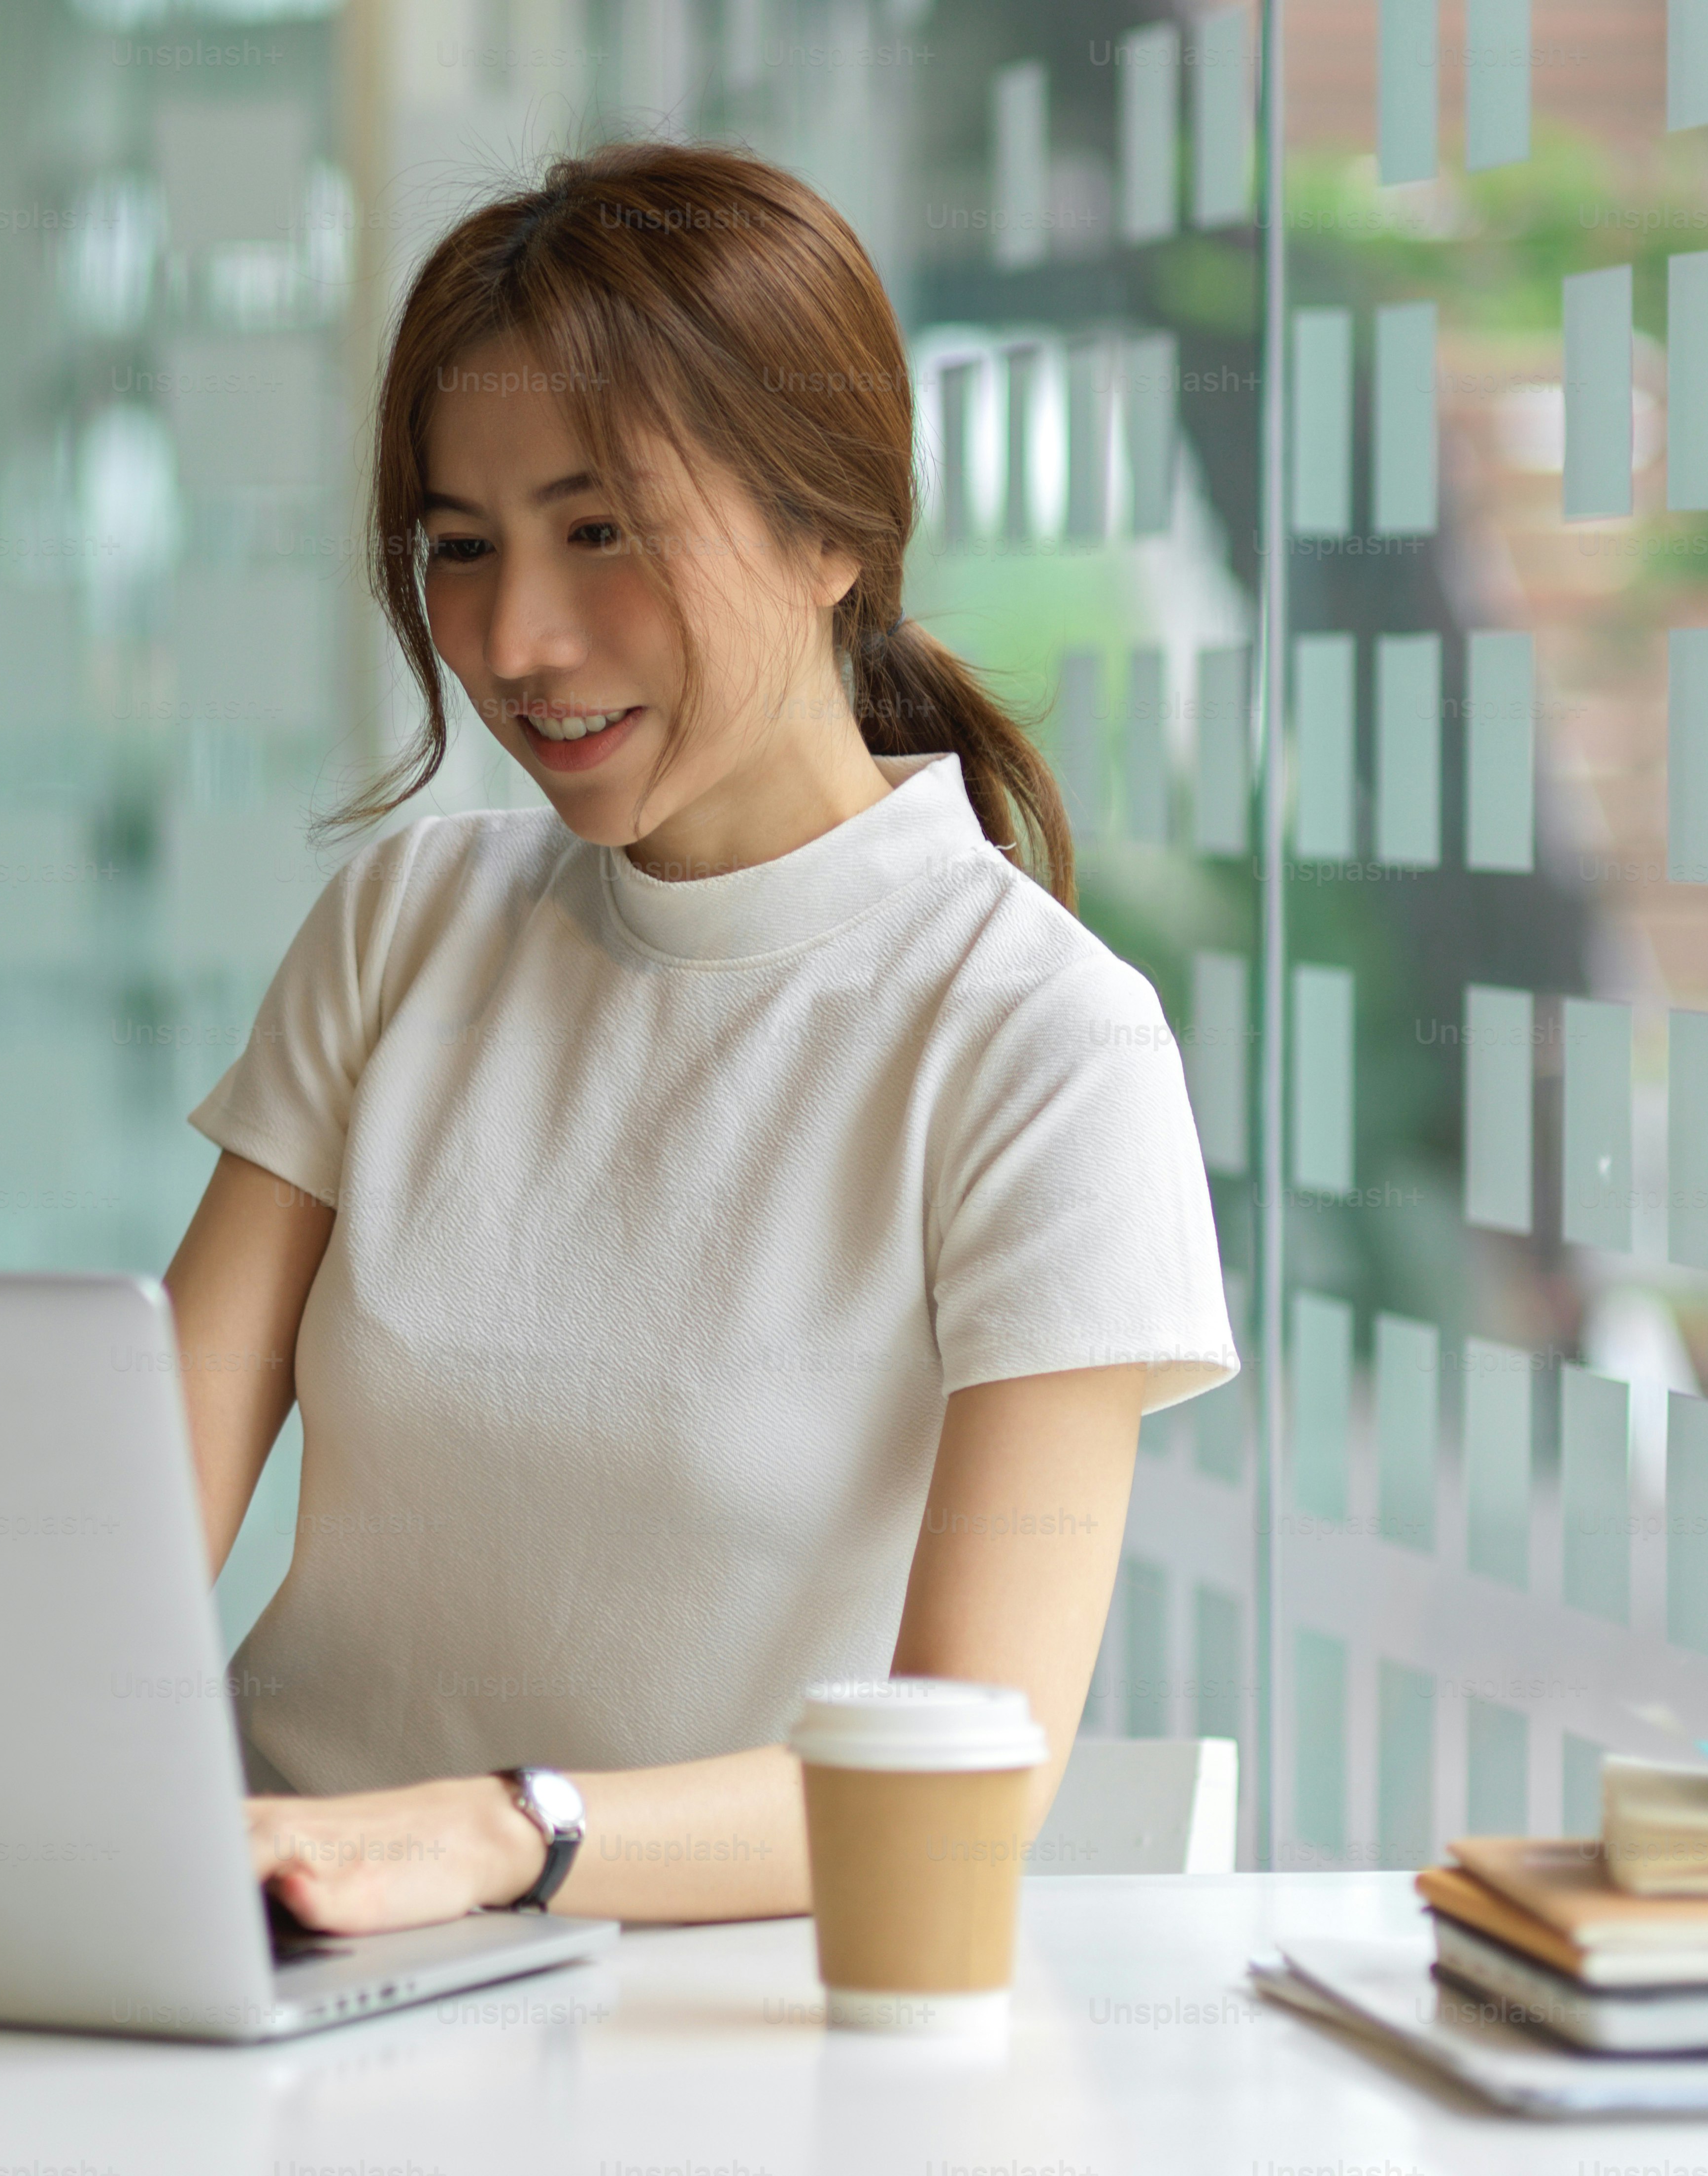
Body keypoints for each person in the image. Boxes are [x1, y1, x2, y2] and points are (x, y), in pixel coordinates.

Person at [163, 141, 1238, 1935]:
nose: (516, 639)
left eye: (602, 532)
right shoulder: (403, 925)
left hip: (668, 2013)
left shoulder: (1041, 1048)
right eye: (459, 547)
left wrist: (505, 1834)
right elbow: (120, 1530)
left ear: (831, 528)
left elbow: (971, 1764)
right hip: (236, 1929)